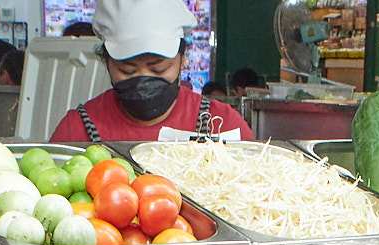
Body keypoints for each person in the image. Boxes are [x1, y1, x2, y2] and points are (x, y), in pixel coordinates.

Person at [49, 0, 252, 143]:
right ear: (106, 62)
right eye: (127, 70)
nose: (143, 81)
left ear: (183, 59)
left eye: (158, 68)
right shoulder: (76, 130)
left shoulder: (222, 123)